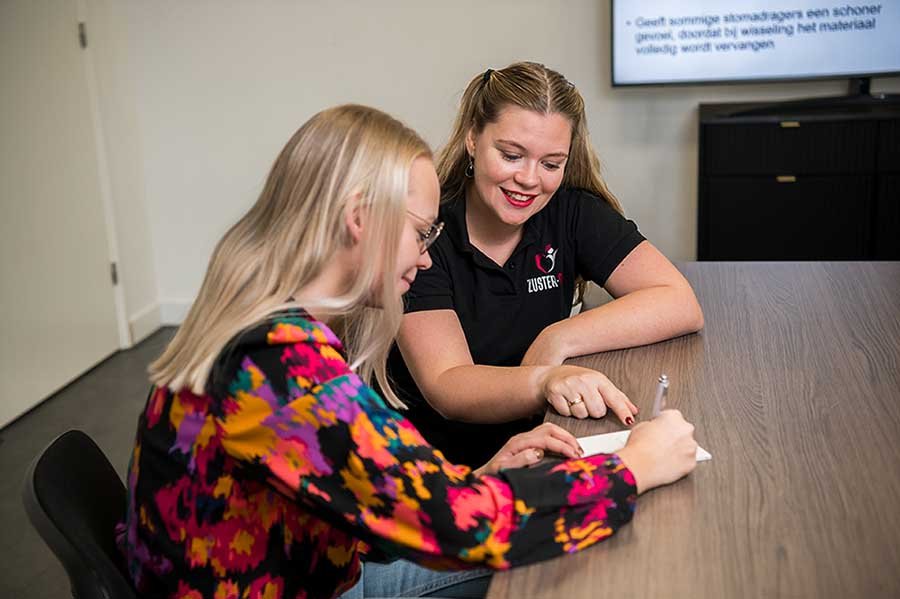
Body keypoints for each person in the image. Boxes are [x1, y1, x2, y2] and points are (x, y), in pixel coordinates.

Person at [117, 104, 699, 599]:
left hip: (325, 561)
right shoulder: (276, 366)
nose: (424, 258)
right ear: (358, 220)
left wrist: (477, 475)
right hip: (331, 584)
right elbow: (460, 526)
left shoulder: (258, 321)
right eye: (420, 233)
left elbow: (347, 483)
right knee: (577, 561)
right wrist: (632, 468)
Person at [387, 62, 705, 467]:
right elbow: (448, 385)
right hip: (441, 471)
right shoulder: (427, 233)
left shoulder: (572, 212)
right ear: (472, 138)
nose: (529, 180)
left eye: (551, 164)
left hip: (539, 446)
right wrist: (546, 378)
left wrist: (558, 338)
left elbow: (679, 301)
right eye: (511, 155)